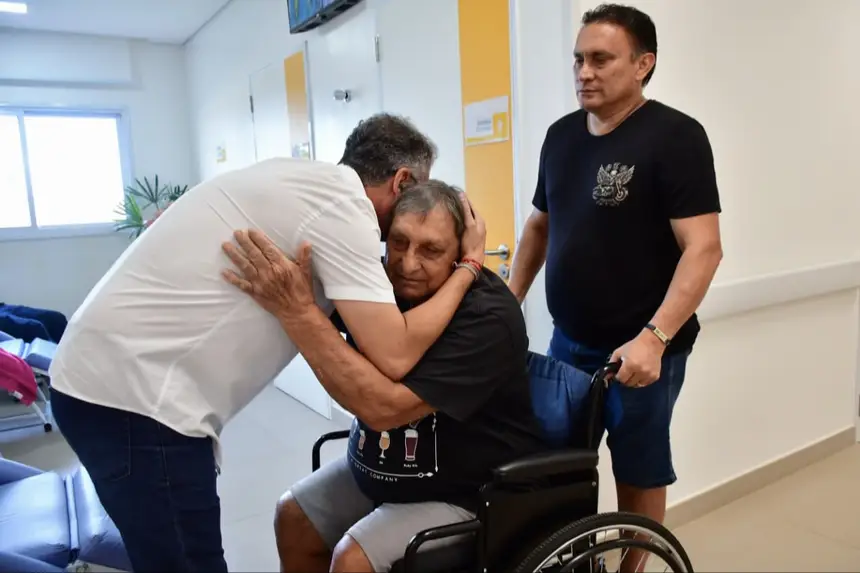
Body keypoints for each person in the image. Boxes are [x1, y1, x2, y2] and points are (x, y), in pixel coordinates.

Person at [48, 114, 487, 573]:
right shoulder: (344, 207)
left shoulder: (301, 184)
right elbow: (394, 355)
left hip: (105, 381)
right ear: (402, 182)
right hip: (135, 401)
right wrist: (470, 267)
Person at [221, 181, 545, 573]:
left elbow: (385, 409)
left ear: (461, 252)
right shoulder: (377, 286)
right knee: (293, 517)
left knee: (352, 559)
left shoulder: (488, 318)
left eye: (431, 250)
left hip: (466, 491)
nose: (408, 264)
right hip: (380, 469)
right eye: (399, 242)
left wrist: (300, 315)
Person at [507, 1, 723, 559]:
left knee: (639, 466)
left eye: (601, 59)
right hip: (569, 342)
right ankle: (570, 560)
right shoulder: (560, 137)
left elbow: (703, 248)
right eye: (578, 59)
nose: (584, 72)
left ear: (643, 64)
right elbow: (539, 226)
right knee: (561, 462)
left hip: (642, 349)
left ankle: (633, 568)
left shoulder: (675, 137)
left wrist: (655, 337)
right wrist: (510, 299)